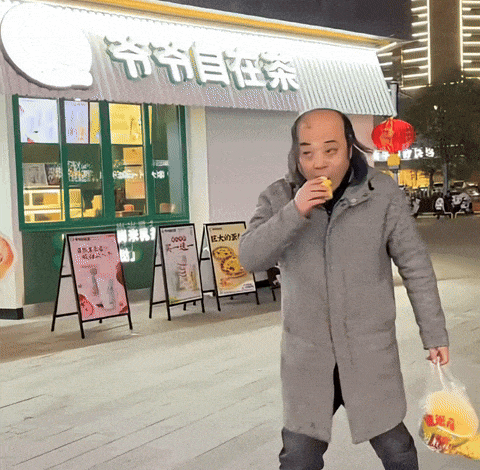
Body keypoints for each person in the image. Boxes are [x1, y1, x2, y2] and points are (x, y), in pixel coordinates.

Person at [239, 109, 450, 470]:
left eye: (330, 150)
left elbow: (415, 264)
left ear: (350, 148)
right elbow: (250, 257)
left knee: (397, 449)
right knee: (299, 456)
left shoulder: (381, 193)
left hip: (367, 351)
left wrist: (434, 333)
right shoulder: (279, 196)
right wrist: (295, 211)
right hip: (308, 355)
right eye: (307, 152)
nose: (318, 163)